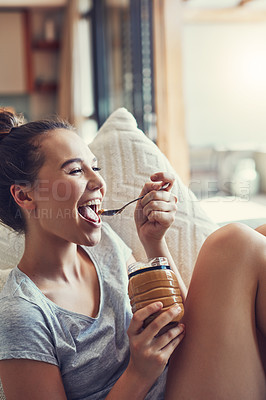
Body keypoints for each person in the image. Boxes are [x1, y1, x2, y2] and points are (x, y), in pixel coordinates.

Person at [0, 108, 265, 400]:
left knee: (259, 235)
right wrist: (139, 373)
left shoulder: (103, 246)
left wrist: (153, 242)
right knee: (232, 242)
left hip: (182, 380)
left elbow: (178, 320)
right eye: (76, 170)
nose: (99, 183)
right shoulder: (22, 315)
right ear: (24, 196)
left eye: (95, 168)